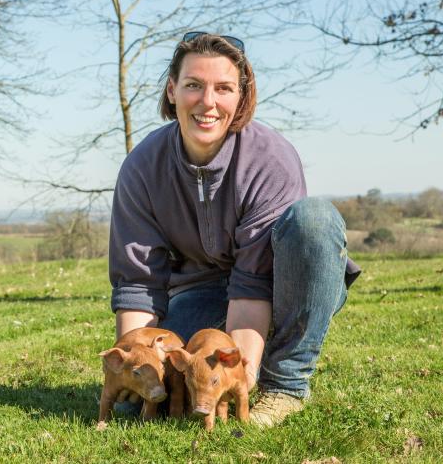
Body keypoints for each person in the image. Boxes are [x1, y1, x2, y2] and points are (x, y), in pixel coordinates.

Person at [108, 32, 360, 427]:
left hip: (280, 288)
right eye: (193, 85)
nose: (208, 102)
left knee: (315, 219)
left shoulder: (271, 158)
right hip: (198, 293)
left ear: (241, 97)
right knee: (141, 395)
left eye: (223, 88)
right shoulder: (142, 166)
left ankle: (285, 384)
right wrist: (132, 366)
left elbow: (252, 283)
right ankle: (248, 355)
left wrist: (241, 375)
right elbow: (138, 283)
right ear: (172, 90)